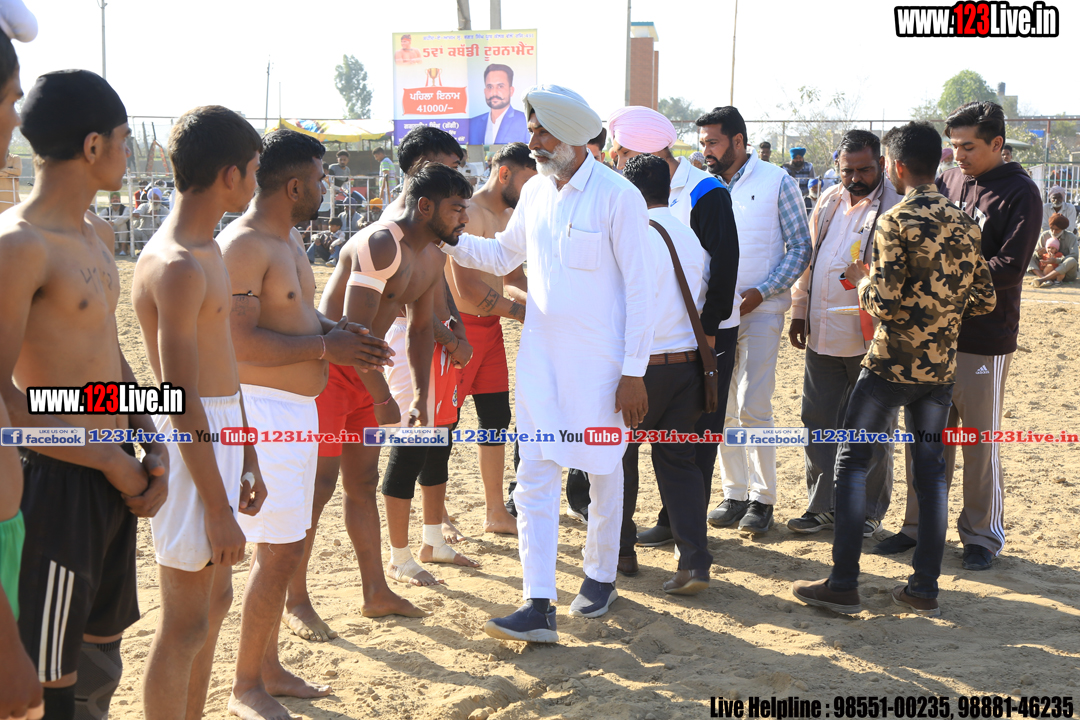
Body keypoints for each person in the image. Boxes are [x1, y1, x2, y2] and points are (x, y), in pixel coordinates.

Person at [440, 84, 654, 641]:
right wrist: (449, 239)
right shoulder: (534, 191)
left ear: (574, 136)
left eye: (541, 131)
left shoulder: (618, 196)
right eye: (531, 130)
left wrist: (634, 372)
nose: (532, 141)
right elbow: (501, 255)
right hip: (540, 363)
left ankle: (601, 576)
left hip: (603, 370)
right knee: (533, 477)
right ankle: (538, 603)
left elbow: (642, 289)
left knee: (603, 472)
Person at [0, 69, 168, 720]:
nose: (129, 152)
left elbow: (109, 354)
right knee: (51, 684)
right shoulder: (19, 246)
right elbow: (6, 400)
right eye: (125, 139)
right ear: (94, 146)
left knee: (100, 662)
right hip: (54, 482)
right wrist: (104, 457)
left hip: (112, 469)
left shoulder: (97, 234)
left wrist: (148, 436)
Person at [216, 129, 391, 720]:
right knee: (278, 550)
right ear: (294, 186)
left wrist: (338, 333)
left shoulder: (285, 237)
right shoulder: (245, 245)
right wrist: (325, 348)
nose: (325, 188)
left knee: (282, 548)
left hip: (292, 410)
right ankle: (246, 685)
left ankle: (265, 669)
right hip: (262, 412)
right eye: (319, 178)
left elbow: (291, 314)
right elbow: (237, 341)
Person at [792, 121, 996, 617]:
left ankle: (843, 583)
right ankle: (923, 588)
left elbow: (882, 302)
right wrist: (941, 314)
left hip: (889, 365)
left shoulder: (895, 220)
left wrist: (861, 279)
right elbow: (985, 299)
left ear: (896, 166)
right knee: (931, 475)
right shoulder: (964, 222)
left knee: (851, 464)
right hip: (939, 369)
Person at [283, 127, 467, 641]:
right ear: (426, 207)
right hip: (329, 373)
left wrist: (423, 398)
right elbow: (353, 332)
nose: (464, 219)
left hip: (367, 374)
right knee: (317, 490)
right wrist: (385, 398)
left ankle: (375, 592)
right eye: (457, 209)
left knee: (361, 484)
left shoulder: (432, 255)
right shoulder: (381, 245)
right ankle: (296, 600)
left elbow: (422, 331)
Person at [132, 106, 268, 720]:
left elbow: (223, 367)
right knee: (184, 623)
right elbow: (179, 397)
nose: (255, 182)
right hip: (193, 441)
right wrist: (216, 506)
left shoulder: (207, 248)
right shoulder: (178, 264)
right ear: (230, 174)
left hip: (221, 433)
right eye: (254, 170)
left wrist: (249, 453)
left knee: (214, 604)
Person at [875, 101, 1042, 572]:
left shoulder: (1021, 193)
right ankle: (917, 527)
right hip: (931, 336)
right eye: (954, 146)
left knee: (979, 440)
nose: (958, 155)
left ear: (997, 143)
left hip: (984, 337)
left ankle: (981, 535)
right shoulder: (947, 181)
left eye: (968, 146)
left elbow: (1010, 267)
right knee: (926, 437)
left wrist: (942, 281)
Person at [602, 104, 740, 555]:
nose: (615, 161)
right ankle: (686, 547)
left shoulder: (704, 193)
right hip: (675, 348)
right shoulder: (658, 204)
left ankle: (648, 545)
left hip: (691, 341)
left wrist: (708, 336)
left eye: (621, 154)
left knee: (678, 446)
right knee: (677, 452)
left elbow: (725, 270)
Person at [698, 106, 811, 535]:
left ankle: (763, 500)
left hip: (761, 311)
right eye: (703, 143)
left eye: (713, 142)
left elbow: (800, 247)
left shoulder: (777, 181)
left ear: (738, 141)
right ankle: (734, 493)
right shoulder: (701, 184)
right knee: (720, 405)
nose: (706, 151)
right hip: (715, 314)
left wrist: (761, 292)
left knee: (754, 405)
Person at [788, 129, 901, 538]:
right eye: (847, 170)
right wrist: (799, 311)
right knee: (818, 418)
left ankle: (866, 512)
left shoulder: (895, 207)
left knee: (872, 425)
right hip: (822, 331)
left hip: (871, 337)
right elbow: (809, 260)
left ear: (881, 165)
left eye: (864, 170)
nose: (855, 178)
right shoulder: (829, 200)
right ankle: (823, 506)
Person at [618, 154, 713, 594]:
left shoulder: (637, 235)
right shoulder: (687, 234)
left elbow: (627, 306)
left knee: (619, 460)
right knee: (679, 464)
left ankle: (621, 553)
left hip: (642, 369)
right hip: (688, 367)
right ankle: (694, 562)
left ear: (630, 192)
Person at [444, 142, 534, 536]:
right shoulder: (468, 212)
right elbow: (466, 289)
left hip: (492, 329)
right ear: (505, 173)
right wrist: (522, 312)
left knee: (495, 419)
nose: (533, 190)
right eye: (528, 181)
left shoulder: (511, 215)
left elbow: (513, 279)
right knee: (443, 424)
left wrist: (544, 305)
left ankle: (495, 512)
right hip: (458, 331)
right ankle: (438, 514)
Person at [0, 10, 40, 719]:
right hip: (64, 471)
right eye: (10, 100)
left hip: (76, 460)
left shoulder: (97, 240)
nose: (15, 120)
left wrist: (139, 418)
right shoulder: (24, 244)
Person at [467, 64, 528, 146]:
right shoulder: (473, 123)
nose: (494, 92)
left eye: (500, 86)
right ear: (485, 91)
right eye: (490, 87)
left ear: (511, 91)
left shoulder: (525, 122)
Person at [1030, 213, 1078, 286]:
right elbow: (1036, 255)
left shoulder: (1071, 237)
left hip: (1065, 274)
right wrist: (1039, 254)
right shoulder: (1045, 235)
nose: (1053, 232)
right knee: (1028, 256)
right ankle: (1046, 279)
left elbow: (1074, 256)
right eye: (1052, 229)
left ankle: (1042, 280)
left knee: (1071, 260)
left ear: (1063, 229)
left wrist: (1056, 260)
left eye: (1057, 230)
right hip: (1045, 269)